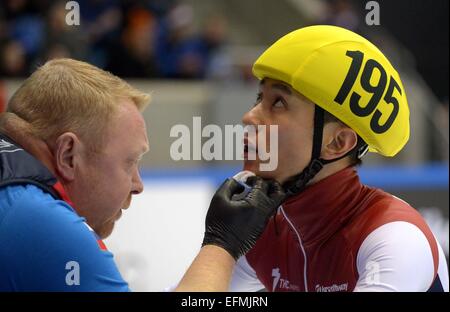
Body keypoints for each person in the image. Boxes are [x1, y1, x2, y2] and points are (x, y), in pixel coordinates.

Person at [0, 58, 284, 291]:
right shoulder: (40, 221)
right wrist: (223, 244)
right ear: (68, 155)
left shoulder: (16, 195)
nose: (138, 186)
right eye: (130, 162)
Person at [229, 25, 449, 292]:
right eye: (259, 98)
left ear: (338, 143)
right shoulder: (263, 229)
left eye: (278, 103)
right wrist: (218, 244)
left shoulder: (395, 238)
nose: (249, 117)